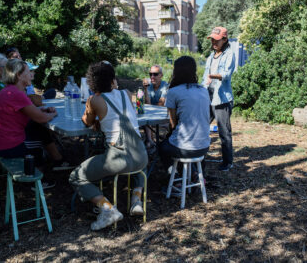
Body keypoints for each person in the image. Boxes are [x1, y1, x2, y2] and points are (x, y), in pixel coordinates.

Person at [69, 61, 148, 231]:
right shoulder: (126, 93)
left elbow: (86, 122)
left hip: (118, 159)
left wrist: (94, 115)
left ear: (91, 83)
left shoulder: (94, 99)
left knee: (76, 176)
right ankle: (136, 199)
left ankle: (107, 209)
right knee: (139, 163)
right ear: (113, 80)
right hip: (141, 155)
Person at [0, 59, 65, 187]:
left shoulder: (9, 90)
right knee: (36, 144)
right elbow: (40, 118)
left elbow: (28, 112)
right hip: (7, 146)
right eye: (28, 72)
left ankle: (50, 165)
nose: (31, 75)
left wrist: (42, 110)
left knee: (36, 131)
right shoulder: (17, 94)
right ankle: (36, 182)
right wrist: (53, 113)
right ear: (18, 75)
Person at [158, 56, 210, 175]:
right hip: (204, 146)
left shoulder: (174, 92)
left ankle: (175, 178)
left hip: (185, 148)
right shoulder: (203, 90)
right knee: (179, 142)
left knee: (162, 147)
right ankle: (195, 174)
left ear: (176, 72)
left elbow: (172, 123)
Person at [201, 26, 235, 172]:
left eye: (216, 40)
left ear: (224, 39)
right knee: (201, 126)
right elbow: (204, 77)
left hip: (222, 99)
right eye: (212, 39)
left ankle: (228, 162)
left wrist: (212, 76)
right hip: (208, 96)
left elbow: (226, 74)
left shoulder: (229, 54)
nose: (213, 42)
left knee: (224, 132)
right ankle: (199, 156)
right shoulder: (210, 56)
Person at [142, 65, 169, 149]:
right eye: (150, 74)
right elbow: (147, 104)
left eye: (155, 74)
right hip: (151, 115)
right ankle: (150, 141)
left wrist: (150, 107)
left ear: (161, 75)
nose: (152, 77)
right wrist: (145, 89)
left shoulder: (165, 85)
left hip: (163, 117)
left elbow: (161, 104)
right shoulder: (149, 86)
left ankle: (153, 142)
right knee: (144, 119)